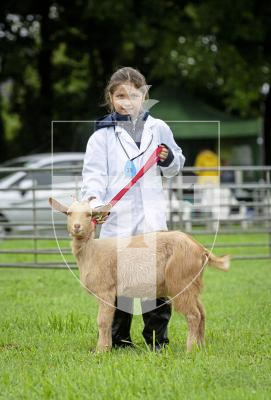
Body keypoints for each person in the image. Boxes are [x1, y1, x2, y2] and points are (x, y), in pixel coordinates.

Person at [81, 66, 185, 351]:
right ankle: (119, 339)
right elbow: (93, 175)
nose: (127, 102)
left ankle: (157, 339)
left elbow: (177, 162)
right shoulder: (101, 136)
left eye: (134, 95)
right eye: (120, 96)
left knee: (156, 280)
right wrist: (93, 202)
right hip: (118, 220)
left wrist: (167, 159)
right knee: (120, 281)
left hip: (152, 217)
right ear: (110, 98)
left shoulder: (159, 127)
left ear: (145, 95)